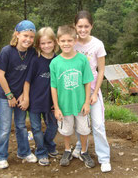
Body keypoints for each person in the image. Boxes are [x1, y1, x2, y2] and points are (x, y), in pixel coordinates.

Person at [50, 25, 95, 168]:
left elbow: (87, 82)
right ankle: (67, 150)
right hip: (64, 105)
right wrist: (56, 107)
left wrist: (87, 102)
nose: (66, 44)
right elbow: (53, 87)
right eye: (63, 41)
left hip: (80, 103)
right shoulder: (55, 62)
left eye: (69, 40)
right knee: (66, 130)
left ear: (75, 40)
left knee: (83, 129)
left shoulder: (82, 60)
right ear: (58, 41)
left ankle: (84, 151)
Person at [0, 20, 37, 169]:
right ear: (17, 34)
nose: (28, 40)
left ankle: (23, 152)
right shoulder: (7, 51)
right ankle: (0, 155)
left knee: (21, 125)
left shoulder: (31, 53)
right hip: (6, 95)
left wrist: (24, 96)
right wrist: (9, 95)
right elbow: (0, 75)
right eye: (25, 35)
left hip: (21, 96)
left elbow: (30, 75)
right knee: (5, 127)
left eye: (32, 37)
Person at [72, 10, 111, 173]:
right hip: (76, 90)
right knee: (80, 123)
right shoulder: (71, 42)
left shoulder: (97, 44)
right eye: (79, 26)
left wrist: (95, 94)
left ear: (91, 26)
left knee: (98, 124)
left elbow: (101, 70)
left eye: (86, 26)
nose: (82, 30)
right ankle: (81, 147)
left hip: (93, 89)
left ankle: (104, 158)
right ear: (74, 26)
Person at [22, 27, 59, 166]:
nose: (46, 46)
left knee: (54, 125)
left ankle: (48, 143)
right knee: (36, 128)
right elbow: (27, 81)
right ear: (38, 45)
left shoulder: (58, 60)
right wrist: (26, 98)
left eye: (49, 42)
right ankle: (41, 151)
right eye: (43, 44)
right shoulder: (35, 60)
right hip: (35, 102)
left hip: (51, 102)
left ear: (54, 43)